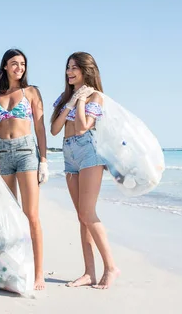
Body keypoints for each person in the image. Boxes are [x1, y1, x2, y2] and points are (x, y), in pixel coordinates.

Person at [50, 51, 120, 289]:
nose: (69, 72)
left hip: (89, 153)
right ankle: (89, 272)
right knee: (82, 217)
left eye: (74, 68)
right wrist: (70, 101)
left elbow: (82, 128)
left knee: (88, 213)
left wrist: (81, 100)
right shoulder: (64, 97)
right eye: (68, 67)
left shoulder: (96, 97)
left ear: (86, 70)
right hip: (69, 154)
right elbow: (55, 129)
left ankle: (111, 267)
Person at [0, 48, 48, 291]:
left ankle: (38, 273)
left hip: (25, 154)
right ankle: (12, 265)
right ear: (5, 66)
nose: (19, 67)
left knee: (31, 215)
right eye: (14, 63)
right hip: (2, 154)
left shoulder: (31, 92)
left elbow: (40, 128)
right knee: (8, 216)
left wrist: (43, 160)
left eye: (22, 64)